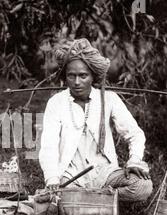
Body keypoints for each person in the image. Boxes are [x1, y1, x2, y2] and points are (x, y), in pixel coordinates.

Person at [39, 38, 152, 203]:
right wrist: (52, 179)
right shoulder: (56, 102)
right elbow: (48, 146)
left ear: (93, 76)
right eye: (71, 76)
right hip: (70, 175)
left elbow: (134, 133)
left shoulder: (108, 98)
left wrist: (134, 160)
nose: (77, 82)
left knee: (143, 186)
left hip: (105, 173)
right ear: (65, 77)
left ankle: (87, 200)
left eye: (83, 76)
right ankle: (102, 200)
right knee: (59, 195)